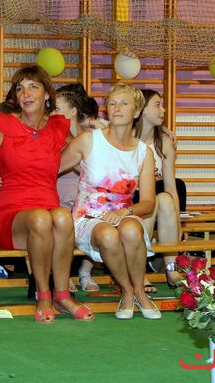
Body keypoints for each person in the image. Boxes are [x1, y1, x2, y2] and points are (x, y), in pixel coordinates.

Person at [0, 65, 93, 323]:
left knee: (63, 217)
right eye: (20, 88)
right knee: (41, 218)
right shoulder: (1, 124)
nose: (25, 93)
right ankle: (43, 295)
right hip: (12, 215)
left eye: (33, 87)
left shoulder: (58, 127)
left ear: (47, 94)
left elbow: (85, 157)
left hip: (49, 208)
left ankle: (62, 295)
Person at [60, 84, 160, 319]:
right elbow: (50, 169)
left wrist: (125, 212)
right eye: (112, 103)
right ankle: (127, 291)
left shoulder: (143, 152)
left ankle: (139, 292)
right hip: (87, 216)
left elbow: (148, 202)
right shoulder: (88, 140)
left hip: (123, 213)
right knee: (107, 234)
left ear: (136, 112)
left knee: (132, 230)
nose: (116, 108)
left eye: (124, 103)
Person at [135, 89, 184, 289]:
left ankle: (170, 268)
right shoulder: (126, 138)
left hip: (155, 199)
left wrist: (178, 221)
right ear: (142, 110)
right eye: (158, 105)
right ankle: (139, 271)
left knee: (164, 198)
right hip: (130, 199)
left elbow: (171, 187)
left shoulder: (164, 142)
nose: (163, 110)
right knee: (152, 201)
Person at [53, 87, 98, 293]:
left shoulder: (89, 137)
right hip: (60, 194)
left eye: (56, 108)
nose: (51, 113)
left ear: (72, 111)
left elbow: (92, 173)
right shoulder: (53, 135)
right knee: (61, 217)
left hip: (84, 196)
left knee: (96, 215)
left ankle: (85, 272)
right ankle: (63, 274)